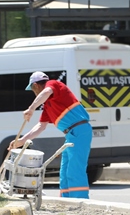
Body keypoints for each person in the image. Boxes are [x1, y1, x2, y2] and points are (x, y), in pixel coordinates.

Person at [11, 71, 93, 199]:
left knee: (75, 168)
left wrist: (31, 108)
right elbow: (40, 126)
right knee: (65, 170)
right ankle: (67, 200)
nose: (34, 93)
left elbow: (46, 91)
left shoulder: (53, 84)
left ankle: (80, 200)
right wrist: (21, 141)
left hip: (79, 130)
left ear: (36, 85)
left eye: (32, 89)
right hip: (71, 134)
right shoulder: (48, 105)